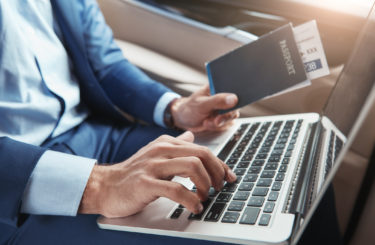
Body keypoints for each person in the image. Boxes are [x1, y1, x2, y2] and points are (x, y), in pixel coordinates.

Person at [0, 0, 242, 244]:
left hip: (99, 134)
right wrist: (100, 186)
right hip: (17, 189)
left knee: (232, 163)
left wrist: (176, 109)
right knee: (221, 237)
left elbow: (105, 63)